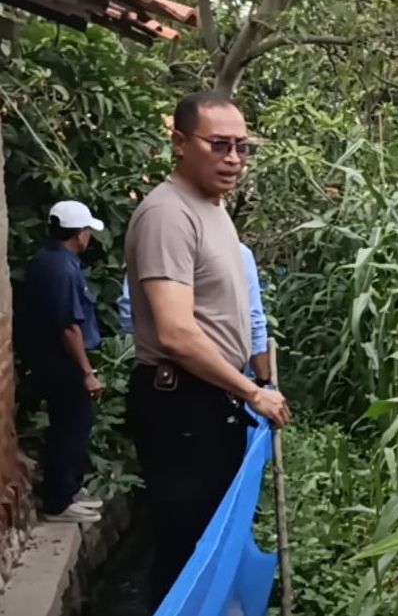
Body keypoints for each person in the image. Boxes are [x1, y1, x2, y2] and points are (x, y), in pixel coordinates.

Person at [124, 89, 290, 607]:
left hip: (212, 400)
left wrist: (252, 382)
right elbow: (175, 332)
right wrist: (253, 392)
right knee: (186, 552)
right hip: (182, 404)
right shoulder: (168, 215)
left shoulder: (212, 210)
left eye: (243, 146)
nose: (234, 158)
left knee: (208, 543)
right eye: (219, 145)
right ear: (179, 142)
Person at [14, 201, 106, 523]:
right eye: (87, 231)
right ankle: (58, 502)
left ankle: (68, 489)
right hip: (62, 362)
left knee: (68, 425)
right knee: (72, 427)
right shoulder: (63, 270)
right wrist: (87, 372)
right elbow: (69, 327)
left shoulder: (46, 260)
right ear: (79, 234)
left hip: (48, 359)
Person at [117, 241, 272, 383]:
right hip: (219, 375)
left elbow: (128, 315)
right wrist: (263, 382)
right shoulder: (236, 252)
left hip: (161, 375)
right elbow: (252, 321)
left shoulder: (151, 251)